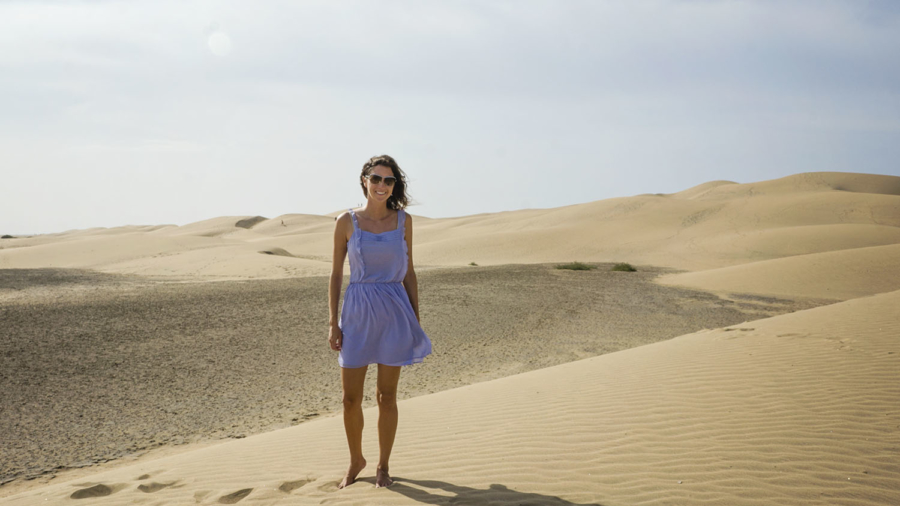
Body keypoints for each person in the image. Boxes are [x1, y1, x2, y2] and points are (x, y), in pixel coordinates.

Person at [327, 154, 432, 489]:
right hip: (357, 311)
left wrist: (415, 319)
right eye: (376, 179)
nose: (382, 186)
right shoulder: (346, 221)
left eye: (388, 181)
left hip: (394, 311)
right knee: (350, 398)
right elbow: (334, 274)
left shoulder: (404, 221)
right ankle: (356, 459)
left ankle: (384, 466)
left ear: (394, 185)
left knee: (387, 396)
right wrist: (333, 322)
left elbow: (410, 272)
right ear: (364, 181)